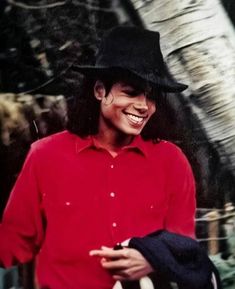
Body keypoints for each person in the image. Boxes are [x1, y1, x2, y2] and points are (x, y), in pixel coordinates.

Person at [0, 25, 217, 289]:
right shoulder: (46, 156)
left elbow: (183, 247)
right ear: (100, 90)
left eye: (151, 96)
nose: (143, 105)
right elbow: (13, 242)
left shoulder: (171, 161)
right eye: (131, 91)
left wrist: (151, 258)